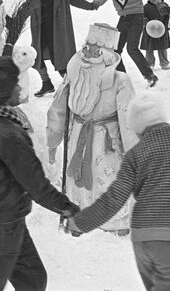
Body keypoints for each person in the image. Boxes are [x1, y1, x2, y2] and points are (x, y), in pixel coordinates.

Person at [67, 92, 170, 291]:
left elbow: (114, 199)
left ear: (138, 129)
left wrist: (81, 222)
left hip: (143, 238)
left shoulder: (135, 154)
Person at [0, 56, 79, 291]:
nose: (20, 87)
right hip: (1, 225)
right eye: (16, 83)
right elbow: (36, 186)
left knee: (33, 280)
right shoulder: (11, 135)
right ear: (6, 92)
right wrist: (67, 208)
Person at [47, 23, 138, 234]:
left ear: (107, 55)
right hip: (78, 133)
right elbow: (58, 108)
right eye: (86, 47)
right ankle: (78, 218)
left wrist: (136, 154)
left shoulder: (120, 81)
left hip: (108, 141)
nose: (87, 54)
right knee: (77, 181)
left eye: (94, 50)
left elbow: (129, 119)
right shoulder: (74, 74)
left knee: (108, 179)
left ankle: (114, 223)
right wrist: (53, 139)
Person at [26, 0, 95, 97]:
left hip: (57, 28)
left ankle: (72, 85)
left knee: (59, 57)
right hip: (40, 28)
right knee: (35, 57)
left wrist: (90, 6)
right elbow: (26, 6)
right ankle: (47, 84)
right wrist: (15, 20)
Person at [93, 0, 162, 87]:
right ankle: (122, 78)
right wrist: (96, 3)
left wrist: (158, 2)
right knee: (115, 51)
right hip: (123, 19)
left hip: (137, 17)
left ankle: (150, 76)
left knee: (132, 48)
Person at [140, 0, 170, 70]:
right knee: (149, 48)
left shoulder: (164, 6)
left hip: (161, 30)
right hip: (149, 30)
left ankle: (164, 63)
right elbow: (142, 17)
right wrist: (146, 22)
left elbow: (167, 17)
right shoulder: (145, 7)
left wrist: (165, 26)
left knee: (162, 47)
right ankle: (150, 64)